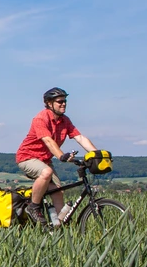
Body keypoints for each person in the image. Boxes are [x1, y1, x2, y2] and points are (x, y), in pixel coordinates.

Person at [15, 87, 98, 226]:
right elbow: (47, 140)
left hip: (45, 160)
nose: (63, 104)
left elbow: (79, 137)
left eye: (65, 101)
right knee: (46, 172)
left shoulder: (65, 120)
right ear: (49, 103)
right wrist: (61, 156)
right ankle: (33, 206)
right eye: (59, 101)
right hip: (27, 157)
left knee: (57, 191)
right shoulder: (41, 118)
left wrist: (96, 154)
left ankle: (59, 226)